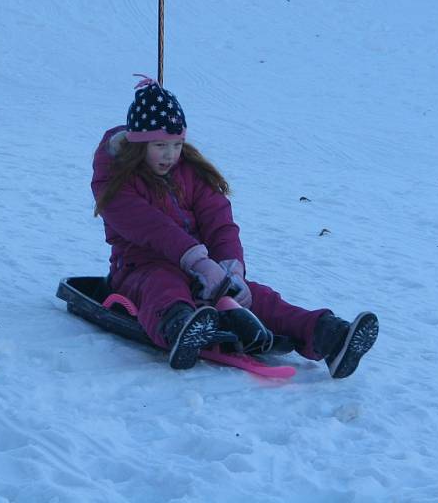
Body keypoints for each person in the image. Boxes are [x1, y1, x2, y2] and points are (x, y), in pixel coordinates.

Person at [91, 75, 378, 377]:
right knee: (164, 287)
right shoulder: (116, 179)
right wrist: (199, 261)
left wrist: (231, 268)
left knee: (259, 298)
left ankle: (329, 335)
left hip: (201, 270)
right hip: (140, 270)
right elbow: (152, 227)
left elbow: (219, 220)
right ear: (138, 144)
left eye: (176, 145)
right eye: (160, 145)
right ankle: (180, 329)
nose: (170, 154)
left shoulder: (189, 172)